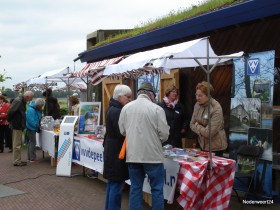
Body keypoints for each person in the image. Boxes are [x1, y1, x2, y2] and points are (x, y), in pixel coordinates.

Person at [118, 82, 169, 210]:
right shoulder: (157, 109)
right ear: (150, 95)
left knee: (135, 188)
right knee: (157, 190)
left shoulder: (126, 108)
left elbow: (122, 131)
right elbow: (164, 135)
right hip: (153, 156)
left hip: (133, 155)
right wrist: (155, 140)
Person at [103, 84, 132, 210]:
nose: (130, 100)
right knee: (116, 184)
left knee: (112, 183)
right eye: (128, 97)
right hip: (116, 151)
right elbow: (122, 132)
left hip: (112, 149)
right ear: (120, 97)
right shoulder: (118, 111)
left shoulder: (111, 108)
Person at [190, 81, 228, 157]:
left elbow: (209, 133)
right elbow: (191, 124)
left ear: (208, 95)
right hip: (202, 145)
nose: (197, 98)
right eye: (196, 95)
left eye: (200, 95)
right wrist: (202, 129)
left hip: (216, 148)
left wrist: (198, 126)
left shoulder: (216, 108)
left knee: (213, 168)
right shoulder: (197, 105)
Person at [7, 91, 34, 166]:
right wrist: (10, 121)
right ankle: (16, 161)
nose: (31, 100)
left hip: (18, 125)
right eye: (31, 98)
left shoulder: (20, 101)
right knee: (17, 144)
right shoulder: (19, 101)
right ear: (27, 97)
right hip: (17, 125)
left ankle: (17, 160)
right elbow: (10, 112)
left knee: (18, 143)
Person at [26, 98, 45, 162]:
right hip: (31, 128)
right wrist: (37, 125)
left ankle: (30, 157)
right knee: (32, 143)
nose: (41, 107)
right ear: (38, 105)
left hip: (31, 127)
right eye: (40, 106)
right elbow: (31, 120)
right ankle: (32, 158)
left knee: (31, 143)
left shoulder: (33, 108)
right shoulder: (31, 110)